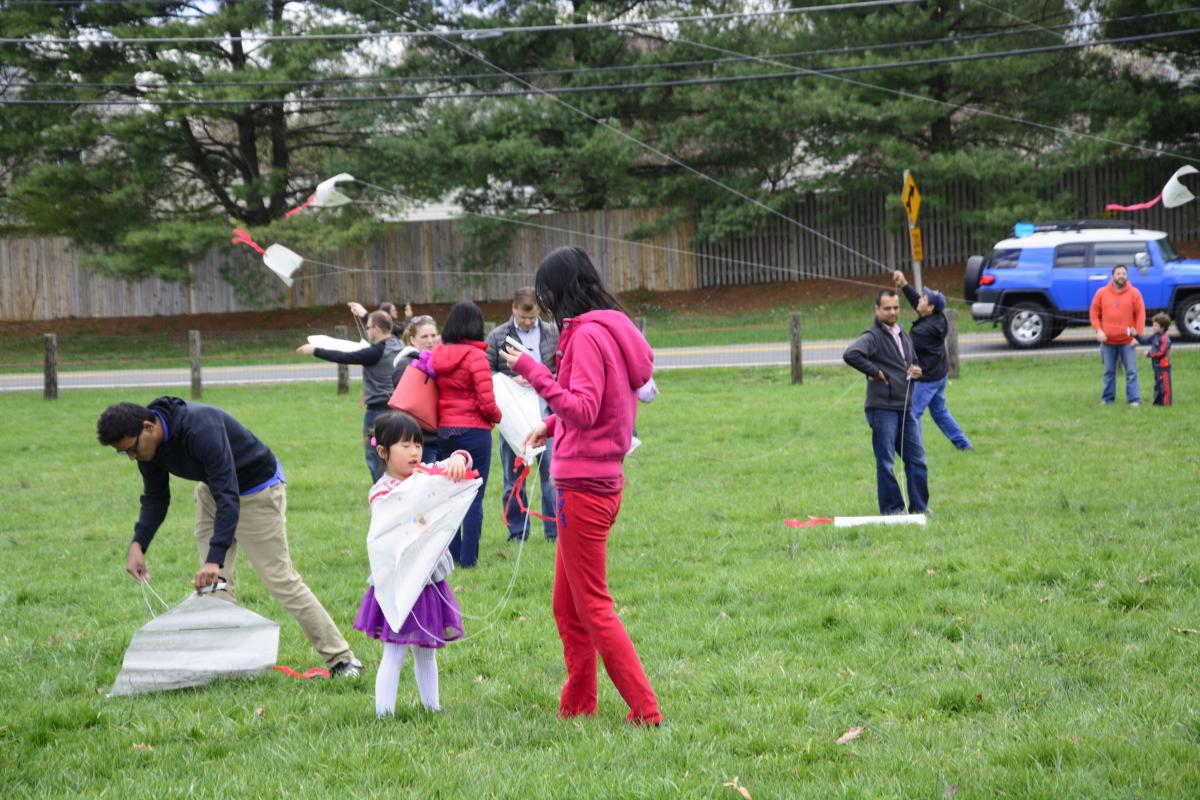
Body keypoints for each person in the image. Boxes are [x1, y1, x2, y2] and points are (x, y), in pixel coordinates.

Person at [500, 245, 662, 727]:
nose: (543, 302)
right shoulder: (610, 327)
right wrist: (550, 426)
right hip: (595, 478)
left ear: (559, 290)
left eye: (545, 292)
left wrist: (532, 374)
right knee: (566, 607)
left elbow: (586, 407)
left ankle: (646, 709)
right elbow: (607, 403)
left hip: (585, 486)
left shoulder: (589, 335)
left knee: (591, 605)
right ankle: (577, 706)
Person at [97, 398, 362, 677]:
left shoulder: (200, 428)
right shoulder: (148, 448)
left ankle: (342, 660)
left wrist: (215, 559)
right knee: (215, 586)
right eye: (123, 453)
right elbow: (156, 497)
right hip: (214, 492)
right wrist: (138, 544)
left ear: (148, 427)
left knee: (281, 580)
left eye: (131, 449)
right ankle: (230, 663)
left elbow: (229, 494)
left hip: (257, 492)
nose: (131, 457)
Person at [352, 412, 468, 716]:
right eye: (405, 446)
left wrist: (458, 458)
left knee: (427, 652)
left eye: (417, 444)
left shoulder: (425, 476)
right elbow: (395, 517)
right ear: (383, 452)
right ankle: (384, 715)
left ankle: (433, 709)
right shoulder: (382, 492)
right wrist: (426, 486)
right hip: (400, 583)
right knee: (395, 651)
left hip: (427, 582)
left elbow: (458, 464)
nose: (414, 452)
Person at [842, 289, 929, 515]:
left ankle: (920, 508)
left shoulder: (903, 334)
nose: (892, 312)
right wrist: (876, 372)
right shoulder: (872, 336)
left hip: (905, 407)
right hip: (882, 409)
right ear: (877, 310)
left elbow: (912, 360)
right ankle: (892, 510)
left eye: (896, 308)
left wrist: (916, 370)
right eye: (887, 308)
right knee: (886, 463)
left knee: (917, 459)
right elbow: (851, 354)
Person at [486, 287, 560, 542]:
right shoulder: (497, 336)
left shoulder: (552, 332)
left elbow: (562, 369)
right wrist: (512, 378)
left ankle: (554, 531)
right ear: (513, 309)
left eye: (533, 318)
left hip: (546, 415)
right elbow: (487, 373)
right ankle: (518, 531)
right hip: (513, 420)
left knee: (551, 477)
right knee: (513, 479)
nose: (528, 322)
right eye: (523, 317)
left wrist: (542, 377)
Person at [433, 301, 502, 567]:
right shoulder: (476, 357)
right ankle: (469, 559)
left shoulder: (438, 354)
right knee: (474, 494)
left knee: (451, 495)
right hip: (474, 432)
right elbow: (486, 403)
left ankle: (453, 554)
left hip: (445, 430)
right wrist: (498, 417)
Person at [298, 309, 402, 482]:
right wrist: (364, 314)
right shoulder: (397, 344)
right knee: (394, 453)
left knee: (375, 454)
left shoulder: (374, 353)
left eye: (368, 327)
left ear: (376, 329)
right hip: (397, 411)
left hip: (377, 415)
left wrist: (315, 350)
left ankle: (382, 492)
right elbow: (385, 324)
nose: (367, 331)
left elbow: (345, 356)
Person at [892, 271, 972, 451]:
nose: (920, 299)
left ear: (929, 308)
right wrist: (904, 283)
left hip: (927, 379)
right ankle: (964, 445)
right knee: (939, 412)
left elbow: (905, 351)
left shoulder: (923, 331)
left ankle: (915, 452)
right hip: (939, 375)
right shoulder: (937, 317)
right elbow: (916, 302)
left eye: (923, 299)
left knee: (912, 413)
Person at [1089, 264, 1145, 406]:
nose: (1121, 276)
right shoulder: (1101, 293)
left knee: (1131, 372)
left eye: (1124, 273)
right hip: (1107, 341)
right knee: (1109, 372)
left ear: (1127, 276)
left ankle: (1133, 399)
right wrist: (1098, 330)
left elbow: (1140, 315)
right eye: (1118, 273)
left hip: (1128, 342)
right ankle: (1108, 399)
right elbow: (1094, 313)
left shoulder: (1135, 293)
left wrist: (1137, 336)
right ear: (1112, 276)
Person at [391, 314, 440, 461]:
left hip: (441, 437)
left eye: (433, 335)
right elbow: (406, 405)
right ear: (412, 340)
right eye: (424, 336)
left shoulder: (440, 361)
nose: (430, 341)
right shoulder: (406, 364)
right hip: (420, 439)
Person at [1133, 312, 1173, 406]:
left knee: (1165, 385)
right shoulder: (1155, 336)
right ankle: (1157, 403)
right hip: (1156, 367)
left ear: (1162, 327)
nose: (1153, 327)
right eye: (1153, 325)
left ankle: (1167, 404)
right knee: (1158, 384)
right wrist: (1135, 335)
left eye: (1155, 325)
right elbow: (1144, 341)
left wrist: (1149, 354)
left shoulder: (1165, 339)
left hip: (1164, 367)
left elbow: (1162, 353)